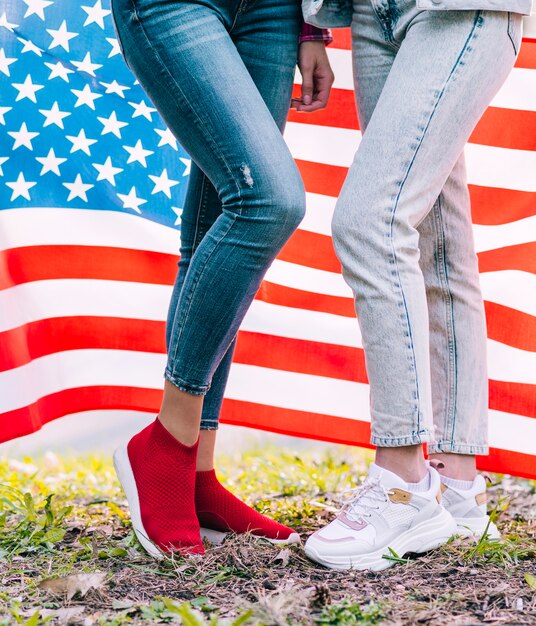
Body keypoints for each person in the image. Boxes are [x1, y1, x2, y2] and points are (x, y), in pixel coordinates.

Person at [302, 0, 532, 571]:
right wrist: (308, 27)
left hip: (459, 8)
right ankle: (457, 486)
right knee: (436, 240)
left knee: (370, 222)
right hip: (368, 12)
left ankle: (404, 480)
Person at [109, 0, 334, 557]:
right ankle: (167, 442)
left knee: (217, 220)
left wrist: (310, 27)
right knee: (267, 200)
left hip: (273, 11)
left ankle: (196, 474)